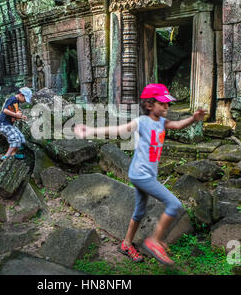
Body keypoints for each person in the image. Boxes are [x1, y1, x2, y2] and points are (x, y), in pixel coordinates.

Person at [74, 83, 207, 265]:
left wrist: (193, 118)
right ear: (150, 105)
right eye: (162, 103)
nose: (166, 107)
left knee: (140, 211)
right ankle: (154, 241)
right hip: (140, 175)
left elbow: (177, 125)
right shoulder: (142, 122)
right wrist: (90, 131)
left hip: (147, 176)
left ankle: (127, 244)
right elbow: (118, 131)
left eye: (168, 104)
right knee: (174, 204)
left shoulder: (162, 122)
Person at [0, 87, 33, 160]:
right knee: (16, 139)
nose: (25, 101)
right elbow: (5, 111)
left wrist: (21, 117)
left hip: (9, 124)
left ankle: (14, 154)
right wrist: (16, 115)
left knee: (21, 137)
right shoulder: (12, 100)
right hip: (4, 124)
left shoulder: (16, 101)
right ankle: (6, 156)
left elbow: (12, 113)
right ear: (21, 95)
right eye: (25, 99)